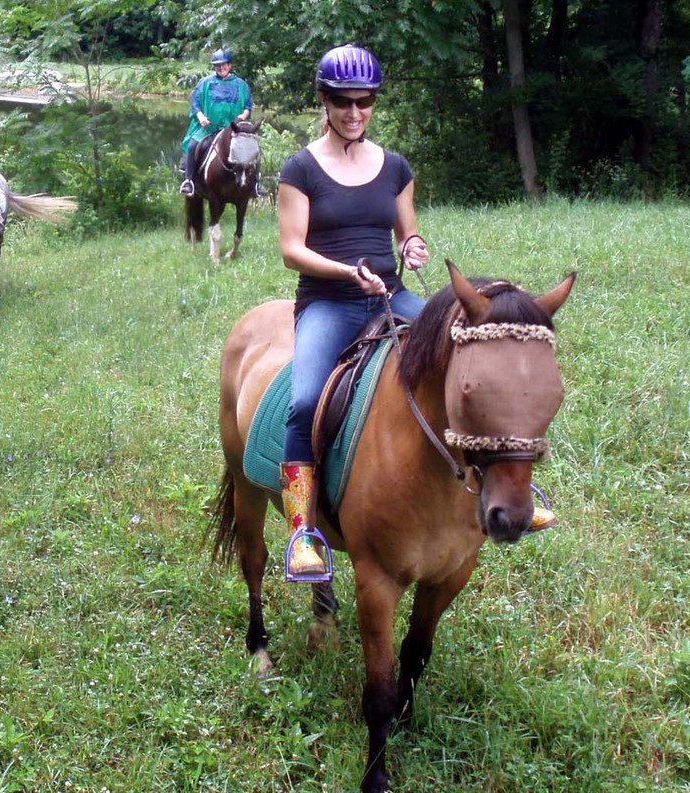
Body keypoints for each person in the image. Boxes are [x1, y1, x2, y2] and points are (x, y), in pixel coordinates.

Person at [276, 44, 555, 582]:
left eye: (365, 101)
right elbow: (293, 248)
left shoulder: (395, 166)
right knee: (306, 399)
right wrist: (345, 271)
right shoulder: (301, 168)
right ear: (323, 99)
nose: (354, 112)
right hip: (329, 301)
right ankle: (303, 530)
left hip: (392, 293)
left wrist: (414, 248)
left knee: (469, 357)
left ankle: (508, 481)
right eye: (342, 102)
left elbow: (408, 230)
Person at [179, 49, 252, 197]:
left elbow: (248, 107)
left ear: (229, 65)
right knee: (193, 145)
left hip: (233, 130)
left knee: (253, 148)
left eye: (223, 65)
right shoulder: (205, 83)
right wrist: (201, 117)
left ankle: (256, 184)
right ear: (214, 67)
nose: (221, 68)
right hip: (209, 128)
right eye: (217, 65)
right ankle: (189, 181)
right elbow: (195, 103)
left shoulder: (241, 85)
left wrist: (241, 118)